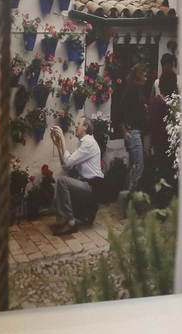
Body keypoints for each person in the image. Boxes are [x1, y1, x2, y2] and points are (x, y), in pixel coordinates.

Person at [48, 115, 103, 237]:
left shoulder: (88, 142)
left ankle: (71, 223)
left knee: (62, 181)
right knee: (61, 188)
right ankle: (65, 221)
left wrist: (63, 139)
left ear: (85, 127)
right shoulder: (83, 143)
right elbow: (66, 166)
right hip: (87, 184)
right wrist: (59, 146)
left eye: (78, 124)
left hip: (93, 187)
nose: (75, 126)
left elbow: (67, 162)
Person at [112, 63, 150, 192]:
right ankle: (130, 197)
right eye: (144, 76)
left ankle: (126, 196)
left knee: (133, 167)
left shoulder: (136, 90)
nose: (146, 79)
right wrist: (125, 132)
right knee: (138, 167)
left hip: (135, 131)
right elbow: (120, 114)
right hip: (133, 132)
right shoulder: (132, 91)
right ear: (138, 76)